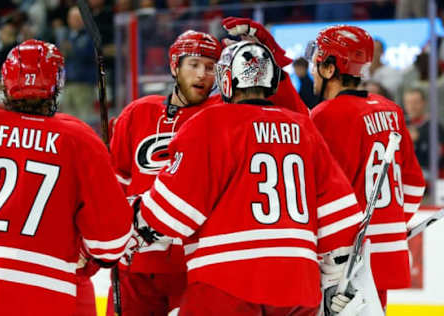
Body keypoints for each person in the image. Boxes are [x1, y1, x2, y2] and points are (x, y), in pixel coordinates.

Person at [133, 41, 364, 316]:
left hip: (225, 282)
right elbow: (341, 221)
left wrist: (133, 219)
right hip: (298, 288)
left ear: (227, 80)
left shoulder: (209, 123)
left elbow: (172, 215)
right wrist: (334, 280)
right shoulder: (303, 128)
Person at [109, 18, 309, 316]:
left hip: (192, 262)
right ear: (175, 65)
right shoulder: (137, 113)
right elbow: (116, 182)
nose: (203, 74)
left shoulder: (224, 114)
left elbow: (294, 115)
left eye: (210, 66)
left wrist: (269, 52)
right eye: (194, 64)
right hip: (136, 261)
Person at [0, 39, 134, 315]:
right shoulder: (79, 139)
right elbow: (110, 245)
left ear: (5, 82)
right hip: (48, 293)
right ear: (57, 84)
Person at [308, 25, 426, 309]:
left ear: (329, 68)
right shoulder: (390, 110)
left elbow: (321, 195)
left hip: (348, 260)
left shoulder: (325, 115)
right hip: (389, 253)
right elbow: (414, 185)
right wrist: (389, 224)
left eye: (317, 63)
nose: (313, 70)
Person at [403, 87, 444, 179]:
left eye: (415, 103)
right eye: (408, 103)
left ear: (424, 103)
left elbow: (437, 158)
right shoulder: (400, 124)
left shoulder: (434, 126)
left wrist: (418, 139)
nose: (411, 107)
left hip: (427, 174)